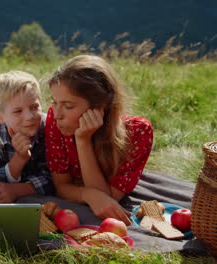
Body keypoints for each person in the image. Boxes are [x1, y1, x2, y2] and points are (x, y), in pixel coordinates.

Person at [45, 55, 153, 224]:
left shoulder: (138, 133)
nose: (57, 114)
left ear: (100, 107)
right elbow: (61, 187)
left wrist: (83, 141)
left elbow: (107, 201)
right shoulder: (56, 119)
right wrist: (89, 195)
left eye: (68, 106)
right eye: (55, 102)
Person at [0, 70, 54, 203]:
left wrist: (17, 190)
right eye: (18, 111)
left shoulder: (50, 128)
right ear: (0, 116)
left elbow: (54, 179)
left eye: (34, 107)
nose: (29, 117)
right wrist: (19, 158)